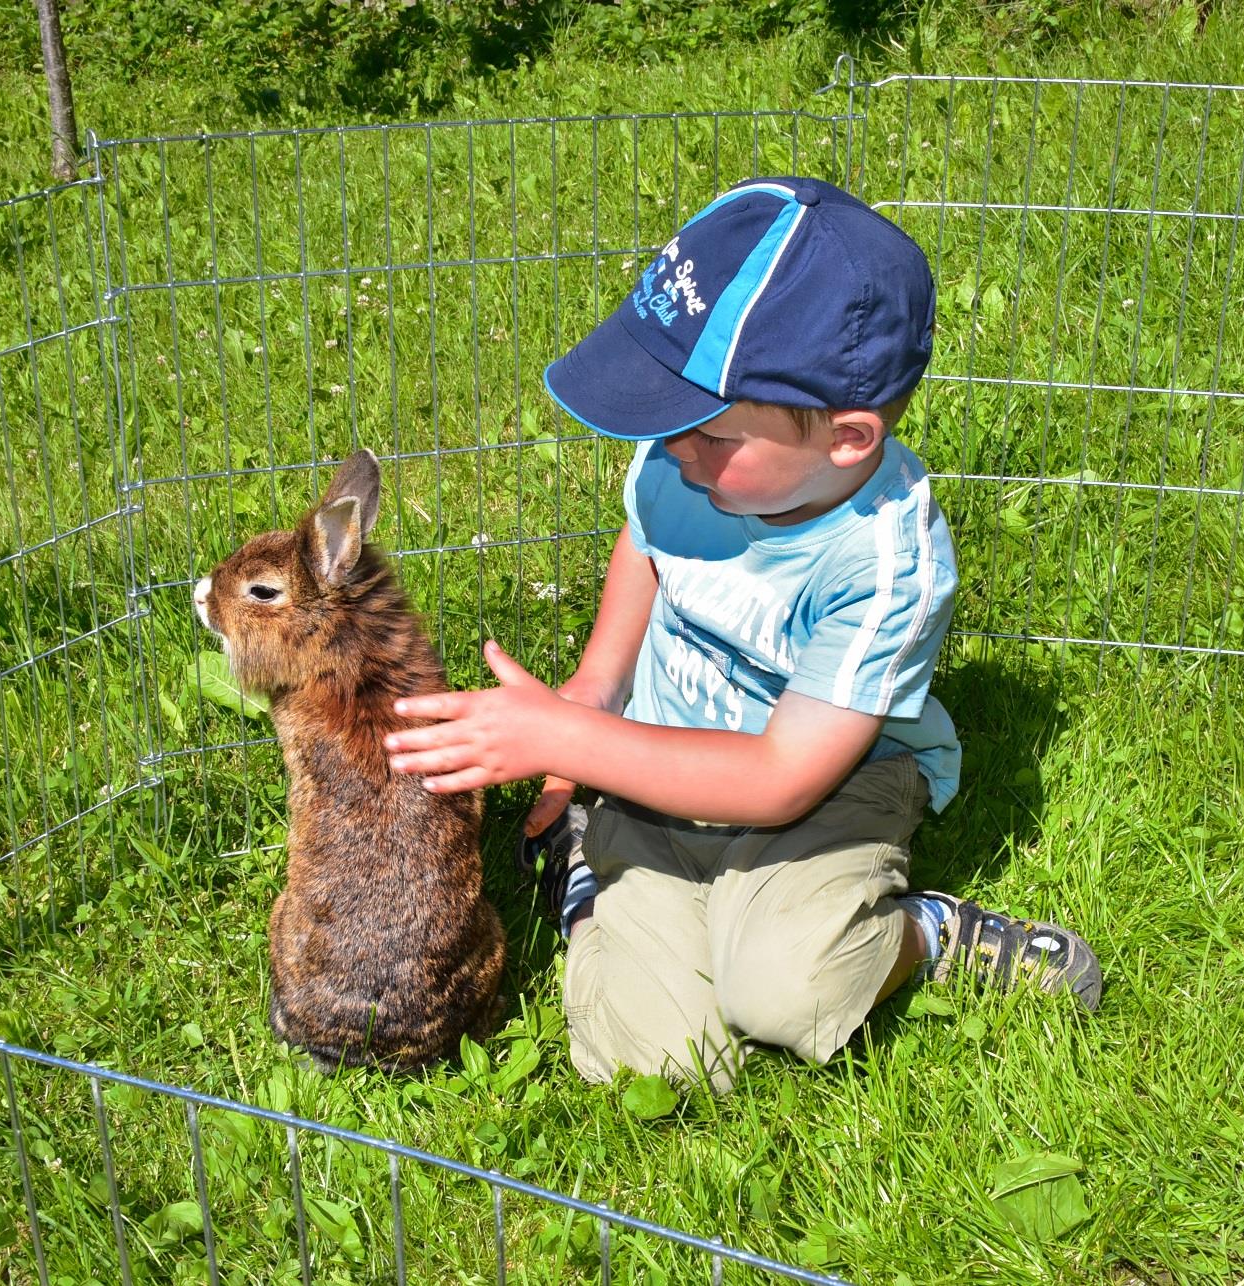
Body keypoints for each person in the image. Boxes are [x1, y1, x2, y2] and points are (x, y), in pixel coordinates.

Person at [384, 176, 1099, 1093]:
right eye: (666, 416)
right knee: (661, 1064)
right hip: (653, 772)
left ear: (846, 439)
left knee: (789, 995)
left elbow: (777, 779)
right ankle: (590, 876)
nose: (674, 449)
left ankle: (927, 932)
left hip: (826, 788)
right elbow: (648, 542)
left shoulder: (886, 567)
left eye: (706, 433)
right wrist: (595, 692)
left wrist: (566, 739)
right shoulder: (688, 457)